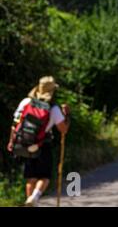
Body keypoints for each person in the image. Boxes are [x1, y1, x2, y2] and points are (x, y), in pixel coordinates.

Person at [6, 76, 70, 207]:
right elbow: (63, 130)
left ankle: (31, 201)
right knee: (44, 176)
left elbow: (15, 124)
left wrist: (11, 141)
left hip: (24, 143)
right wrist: (66, 115)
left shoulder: (26, 102)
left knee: (31, 177)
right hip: (42, 145)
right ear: (52, 92)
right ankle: (34, 198)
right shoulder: (53, 108)